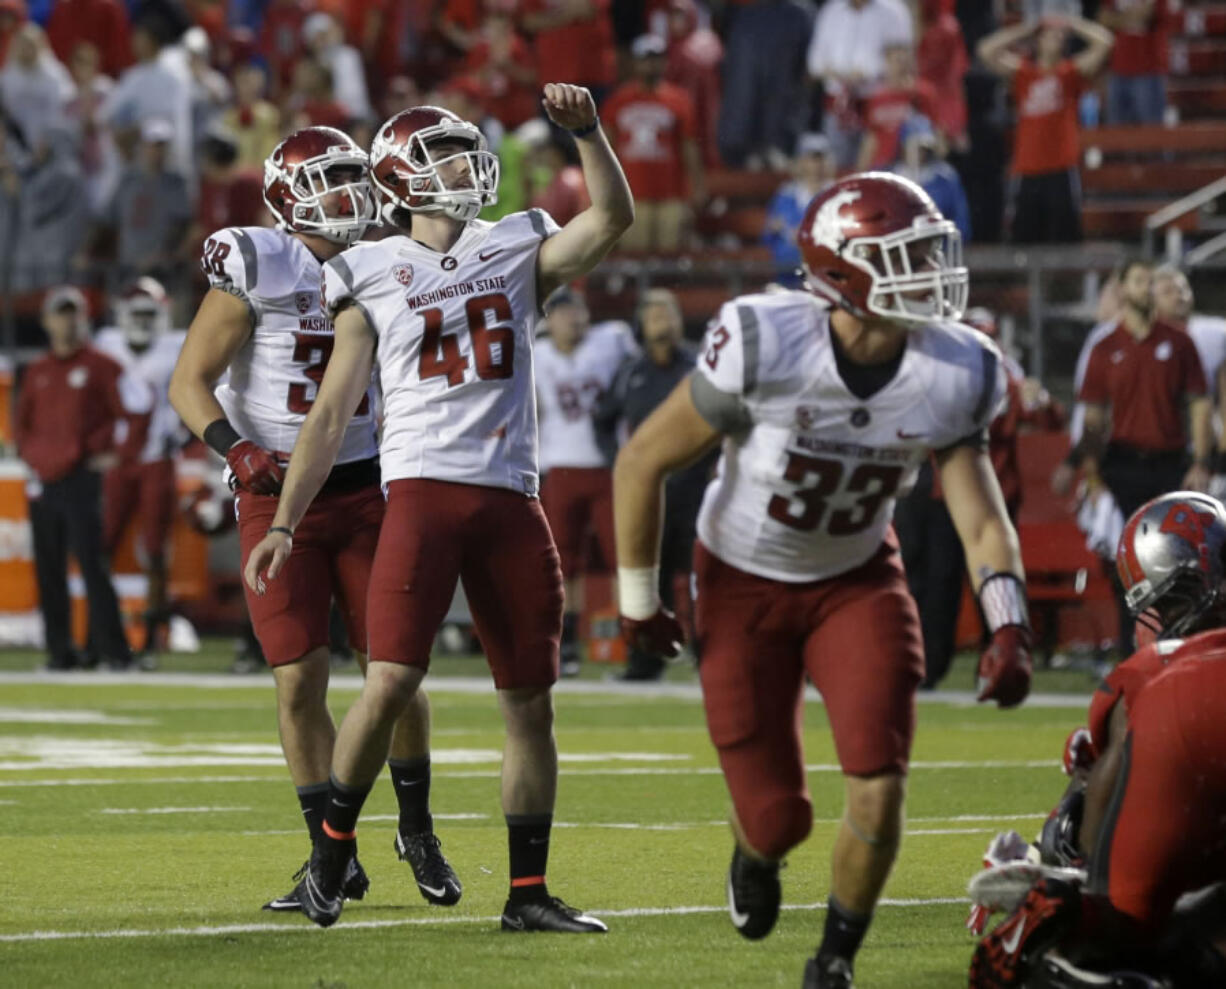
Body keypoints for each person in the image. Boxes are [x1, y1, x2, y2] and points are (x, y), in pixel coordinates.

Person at [612, 172, 1032, 989]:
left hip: (856, 580)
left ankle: (834, 958)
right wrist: (638, 600)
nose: (929, 273)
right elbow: (643, 462)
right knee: (780, 819)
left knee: (879, 784)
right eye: (905, 257)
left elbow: (980, 516)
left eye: (929, 253)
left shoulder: (956, 367)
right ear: (843, 268)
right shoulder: (769, 340)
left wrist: (1007, 622)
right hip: (740, 582)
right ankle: (753, 850)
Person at [242, 86, 633, 932]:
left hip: (511, 496)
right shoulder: (369, 268)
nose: (466, 166)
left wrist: (591, 135)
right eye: (445, 155)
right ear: (405, 177)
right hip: (419, 491)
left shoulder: (519, 240)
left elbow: (610, 220)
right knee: (389, 680)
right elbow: (332, 409)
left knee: (530, 702)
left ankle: (527, 895)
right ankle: (332, 852)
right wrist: (283, 523)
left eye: (465, 152)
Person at [168, 126, 460, 915]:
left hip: (369, 483)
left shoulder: (386, 258)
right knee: (299, 676)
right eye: (328, 179)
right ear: (287, 194)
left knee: (392, 671)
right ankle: (330, 855)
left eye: (351, 176)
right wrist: (235, 450)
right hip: (275, 488)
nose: (346, 193)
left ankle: (418, 828)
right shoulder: (258, 262)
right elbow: (189, 381)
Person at [969, 491, 1226, 989]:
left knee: (1119, 918)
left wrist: (1069, 854)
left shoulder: (1156, 669)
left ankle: (1061, 934)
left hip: (1182, 711)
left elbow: (1084, 818)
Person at [1056, 258, 1211, 655]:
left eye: (1149, 281)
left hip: (1169, 464)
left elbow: (1198, 405)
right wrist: (1087, 471)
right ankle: (1133, 650)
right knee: (1126, 565)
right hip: (1121, 465)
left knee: (1180, 563)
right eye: (1139, 280)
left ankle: (1176, 646)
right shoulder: (1105, 348)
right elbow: (1093, 420)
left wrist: (1201, 462)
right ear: (1123, 289)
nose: (1146, 288)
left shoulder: (1179, 342)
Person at [594, 287, 714, 681]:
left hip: (697, 488)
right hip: (650, 494)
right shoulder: (630, 372)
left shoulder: (701, 364)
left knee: (704, 577)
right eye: (657, 314)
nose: (666, 321)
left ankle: (711, 660)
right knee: (648, 577)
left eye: (672, 313)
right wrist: (621, 463)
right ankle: (643, 664)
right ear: (641, 325)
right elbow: (602, 419)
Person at [15, 286, 135, 671]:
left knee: (92, 566)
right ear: (47, 321)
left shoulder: (104, 366)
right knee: (49, 571)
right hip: (45, 482)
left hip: (84, 479)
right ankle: (60, 653)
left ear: (85, 318)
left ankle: (113, 652)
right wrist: (34, 459)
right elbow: (21, 426)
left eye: (74, 313)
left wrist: (113, 454)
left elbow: (131, 414)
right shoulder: (38, 371)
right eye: (60, 314)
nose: (67, 321)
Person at [535, 288, 638, 678]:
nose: (574, 320)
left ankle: (630, 642)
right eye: (565, 314)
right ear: (551, 320)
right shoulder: (538, 352)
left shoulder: (611, 341)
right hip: (559, 464)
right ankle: (568, 646)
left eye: (579, 312)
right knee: (563, 563)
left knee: (622, 558)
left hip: (610, 466)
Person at [95, 278, 185, 663]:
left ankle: (152, 633)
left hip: (157, 459)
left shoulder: (176, 346)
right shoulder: (106, 344)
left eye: (151, 313)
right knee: (102, 544)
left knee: (154, 549)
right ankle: (102, 629)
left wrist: (181, 434)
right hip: (119, 459)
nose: (145, 322)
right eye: (139, 313)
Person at [978, 14, 1114, 244]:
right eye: (1049, 35)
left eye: (1059, 36)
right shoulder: (1023, 73)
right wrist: (1027, 29)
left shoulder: (1070, 73)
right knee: (1024, 240)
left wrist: (1071, 23)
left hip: (1061, 169)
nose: (1055, 39)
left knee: (1066, 240)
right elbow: (985, 50)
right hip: (1027, 170)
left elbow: (1105, 42)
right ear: (1038, 41)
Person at [602, 33, 703, 254]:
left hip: (671, 194)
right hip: (632, 194)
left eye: (656, 58)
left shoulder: (679, 100)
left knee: (669, 258)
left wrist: (696, 185)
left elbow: (688, 146)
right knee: (635, 256)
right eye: (646, 59)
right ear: (636, 62)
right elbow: (606, 148)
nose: (651, 64)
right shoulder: (618, 100)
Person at [763, 132, 836, 287]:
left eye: (820, 158)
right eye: (811, 158)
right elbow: (768, 235)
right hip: (788, 273)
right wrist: (776, 229)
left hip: (825, 275)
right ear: (801, 161)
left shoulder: (836, 194)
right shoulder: (786, 194)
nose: (816, 164)